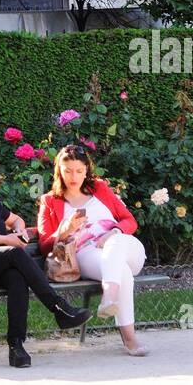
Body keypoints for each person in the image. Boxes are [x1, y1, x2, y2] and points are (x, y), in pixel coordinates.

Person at [0, 154, 92, 368]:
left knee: (16, 279)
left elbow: (17, 220)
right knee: (14, 254)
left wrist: (19, 231)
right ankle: (59, 309)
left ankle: (16, 347)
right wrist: (8, 240)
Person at [37, 143, 149, 356]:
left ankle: (109, 298)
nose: (74, 176)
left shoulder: (100, 189)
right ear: (59, 170)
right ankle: (130, 338)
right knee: (121, 272)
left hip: (124, 247)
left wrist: (113, 232)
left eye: (79, 171)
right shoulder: (50, 201)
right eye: (68, 170)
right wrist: (64, 230)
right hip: (86, 253)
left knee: (115, 244)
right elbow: (44, 244)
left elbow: (129, 220)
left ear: (86, 170)